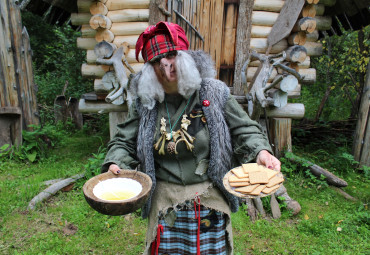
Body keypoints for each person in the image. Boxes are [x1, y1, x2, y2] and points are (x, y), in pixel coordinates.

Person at [102, 21, 281, 255]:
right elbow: (123, 141)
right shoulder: (145, 103)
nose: (167, 65)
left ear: (187, 57)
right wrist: (116, 162)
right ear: (150, 69)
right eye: (157, 61)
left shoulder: (213, 92)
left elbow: (245, 129)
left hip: (209, 201)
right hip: (165, 203)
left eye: (172, 55)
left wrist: (262, 152)